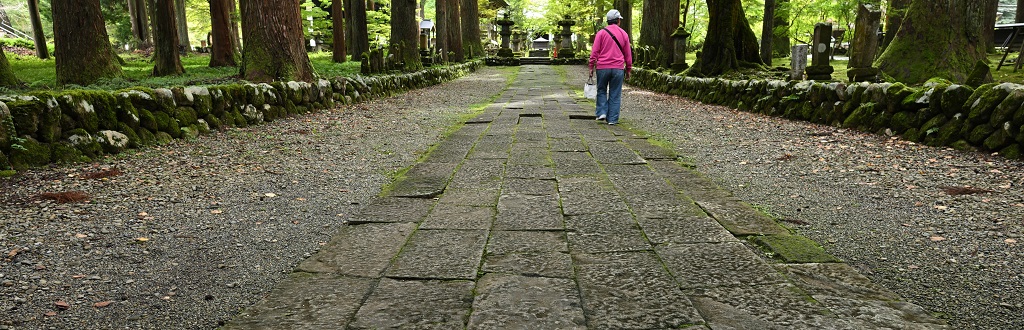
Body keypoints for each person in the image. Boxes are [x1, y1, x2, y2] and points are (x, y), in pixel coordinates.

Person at [589, 9, 633, 125]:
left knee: (602, 90)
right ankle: (612, 119)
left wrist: (590, 67)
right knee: (615, 93)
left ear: (608, 21)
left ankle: (602, 112)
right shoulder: (624, 34)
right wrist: (628, 69)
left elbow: (594, 52)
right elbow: (628, 54)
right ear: (618, 20)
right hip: (618, 68)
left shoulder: (601, 33)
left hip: (602, 67)